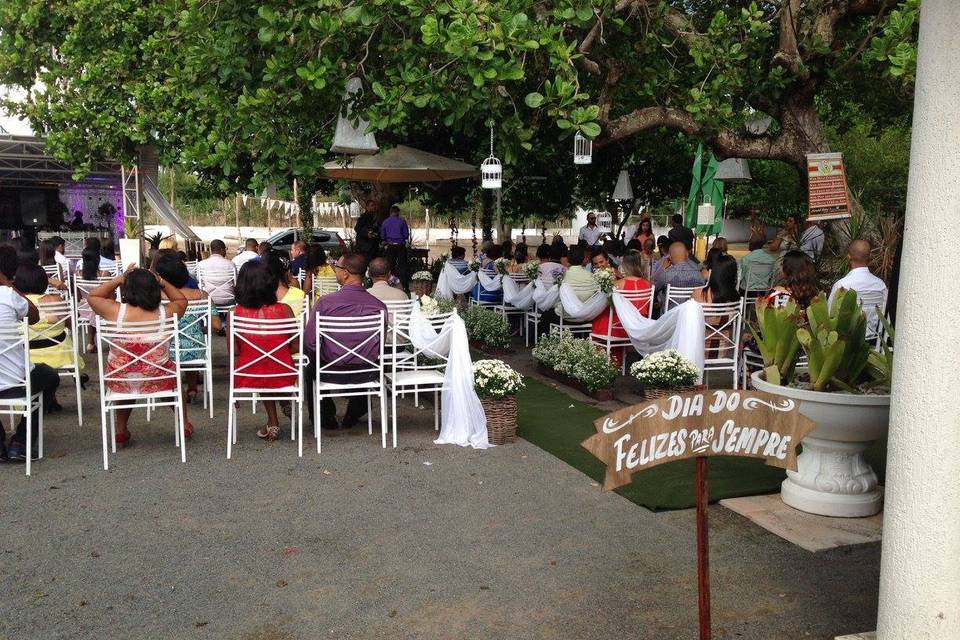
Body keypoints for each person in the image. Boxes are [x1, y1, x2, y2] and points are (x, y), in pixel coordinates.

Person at [87, 264, 188, 447]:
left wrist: (119, 278)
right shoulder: (167, 312)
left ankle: (120, 429)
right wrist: (161, 280)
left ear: (126, 289)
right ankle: (184, 423)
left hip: (120, 378)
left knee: (131, 372)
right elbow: (181, 300)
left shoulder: (114, 311)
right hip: (159, 377)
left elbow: (93, 295)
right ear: (155, 289)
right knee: (170, 375)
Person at [304, 253, 387, 429]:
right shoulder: (378, 306)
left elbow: (310, 343)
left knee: (310, 368)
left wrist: (324, 357)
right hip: (367, 372)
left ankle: (325, 417)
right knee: (363, 357)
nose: (335, 270)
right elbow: (380, 344)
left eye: (337, 267)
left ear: (346, 273)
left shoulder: (325, 303)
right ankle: (354, 412)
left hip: (330, 370)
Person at [0, 248, 60, 463]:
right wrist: (9, 286)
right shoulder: (8, 294)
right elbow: (33, 317)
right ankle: (20, 443)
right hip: (17, 381)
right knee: (50, 378)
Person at [232, 260, 298, 441]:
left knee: (262, 364)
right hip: (284, 370)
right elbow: (296, 345)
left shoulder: (234, 313)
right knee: (270, 364)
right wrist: (277, 352)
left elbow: (235, 351)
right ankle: (284, 402)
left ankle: (273, 422)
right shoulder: (285, 310)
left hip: (248, 372)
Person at [154, 252, 218, 431]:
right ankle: (191, 388)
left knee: (173, 345)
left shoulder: (156, 297)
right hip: (196, 349)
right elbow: (216, 324)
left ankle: (179, 390)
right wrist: (198, 328)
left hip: (166, 351)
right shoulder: (202, 295)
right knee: (191, 343)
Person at [14, 263, 83, 387]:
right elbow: (71, 323)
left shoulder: (14, 302)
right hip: (60, 355)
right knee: (61, 337)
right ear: (44, 282)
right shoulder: (55, 300)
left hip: (23, 358)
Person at [591, 252, 652, 363]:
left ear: (624, 265)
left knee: (600, 319)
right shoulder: (648, 284)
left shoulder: (618, 284)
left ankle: (605, 360)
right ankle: (616, 359)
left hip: (621, 327)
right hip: (640, 326)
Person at [828, 240, 888, 337]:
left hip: (846, 344)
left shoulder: (842, 285)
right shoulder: (881, 285)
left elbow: (830, 314)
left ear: (849, 257)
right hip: (874, 342)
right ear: (869, 257)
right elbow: (884, 315)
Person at [653, 241, 705, 310]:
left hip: (670, 314)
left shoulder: (666, 274)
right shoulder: (698, 275)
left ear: (670, 257)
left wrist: (662, 268)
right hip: (690, 313)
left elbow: (655, 288)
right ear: (686, 255)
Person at [197, 239, 237, 312]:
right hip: (228, 299)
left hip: (209, 300)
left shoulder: (201, 264)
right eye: (225, 249)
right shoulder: (230, 264)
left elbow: (200, 283)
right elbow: (235, 283)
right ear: (222, 250)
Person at [380, 205, 410, 288]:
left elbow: (382, 236)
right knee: (403, 266)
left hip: (390, 246)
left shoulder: (385, 222)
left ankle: (390, 285)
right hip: (400, 246)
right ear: (398, 212)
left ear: (390, 212)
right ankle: (404, 286)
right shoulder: (402, 221)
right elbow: (406, 234)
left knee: (390, 266)